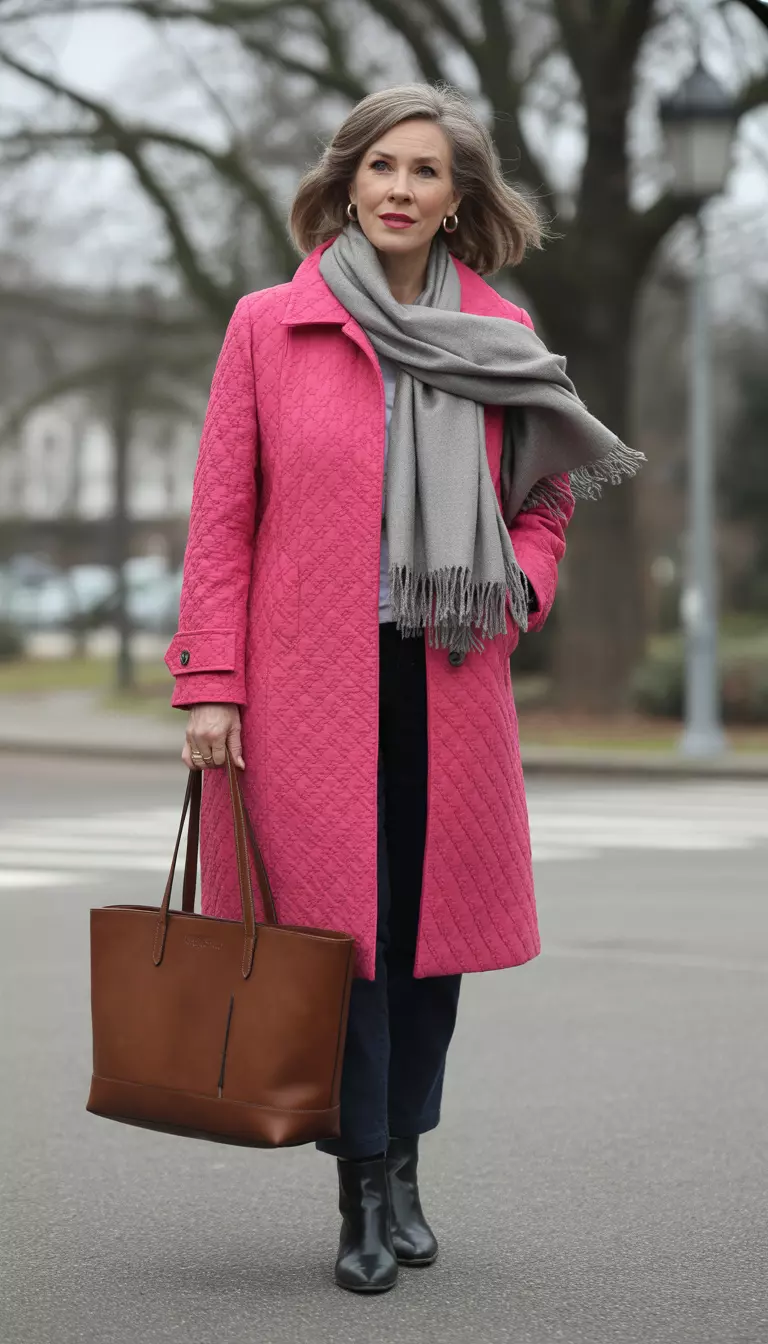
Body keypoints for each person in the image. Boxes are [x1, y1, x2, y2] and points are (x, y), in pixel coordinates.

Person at [165, 83, 641, 1295]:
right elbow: (222, 524)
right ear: (345, 181)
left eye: (425, 172)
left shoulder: (501, 332)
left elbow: (543, 503)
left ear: (457, 200)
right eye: (380, 165)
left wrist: (520, 592)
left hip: (447, 675)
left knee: (431, 948)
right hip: (298, 691)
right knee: (340, 948)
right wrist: (209, 684)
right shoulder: (270, 326)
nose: (398, 189)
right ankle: (359, 1183)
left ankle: (408, 1160)